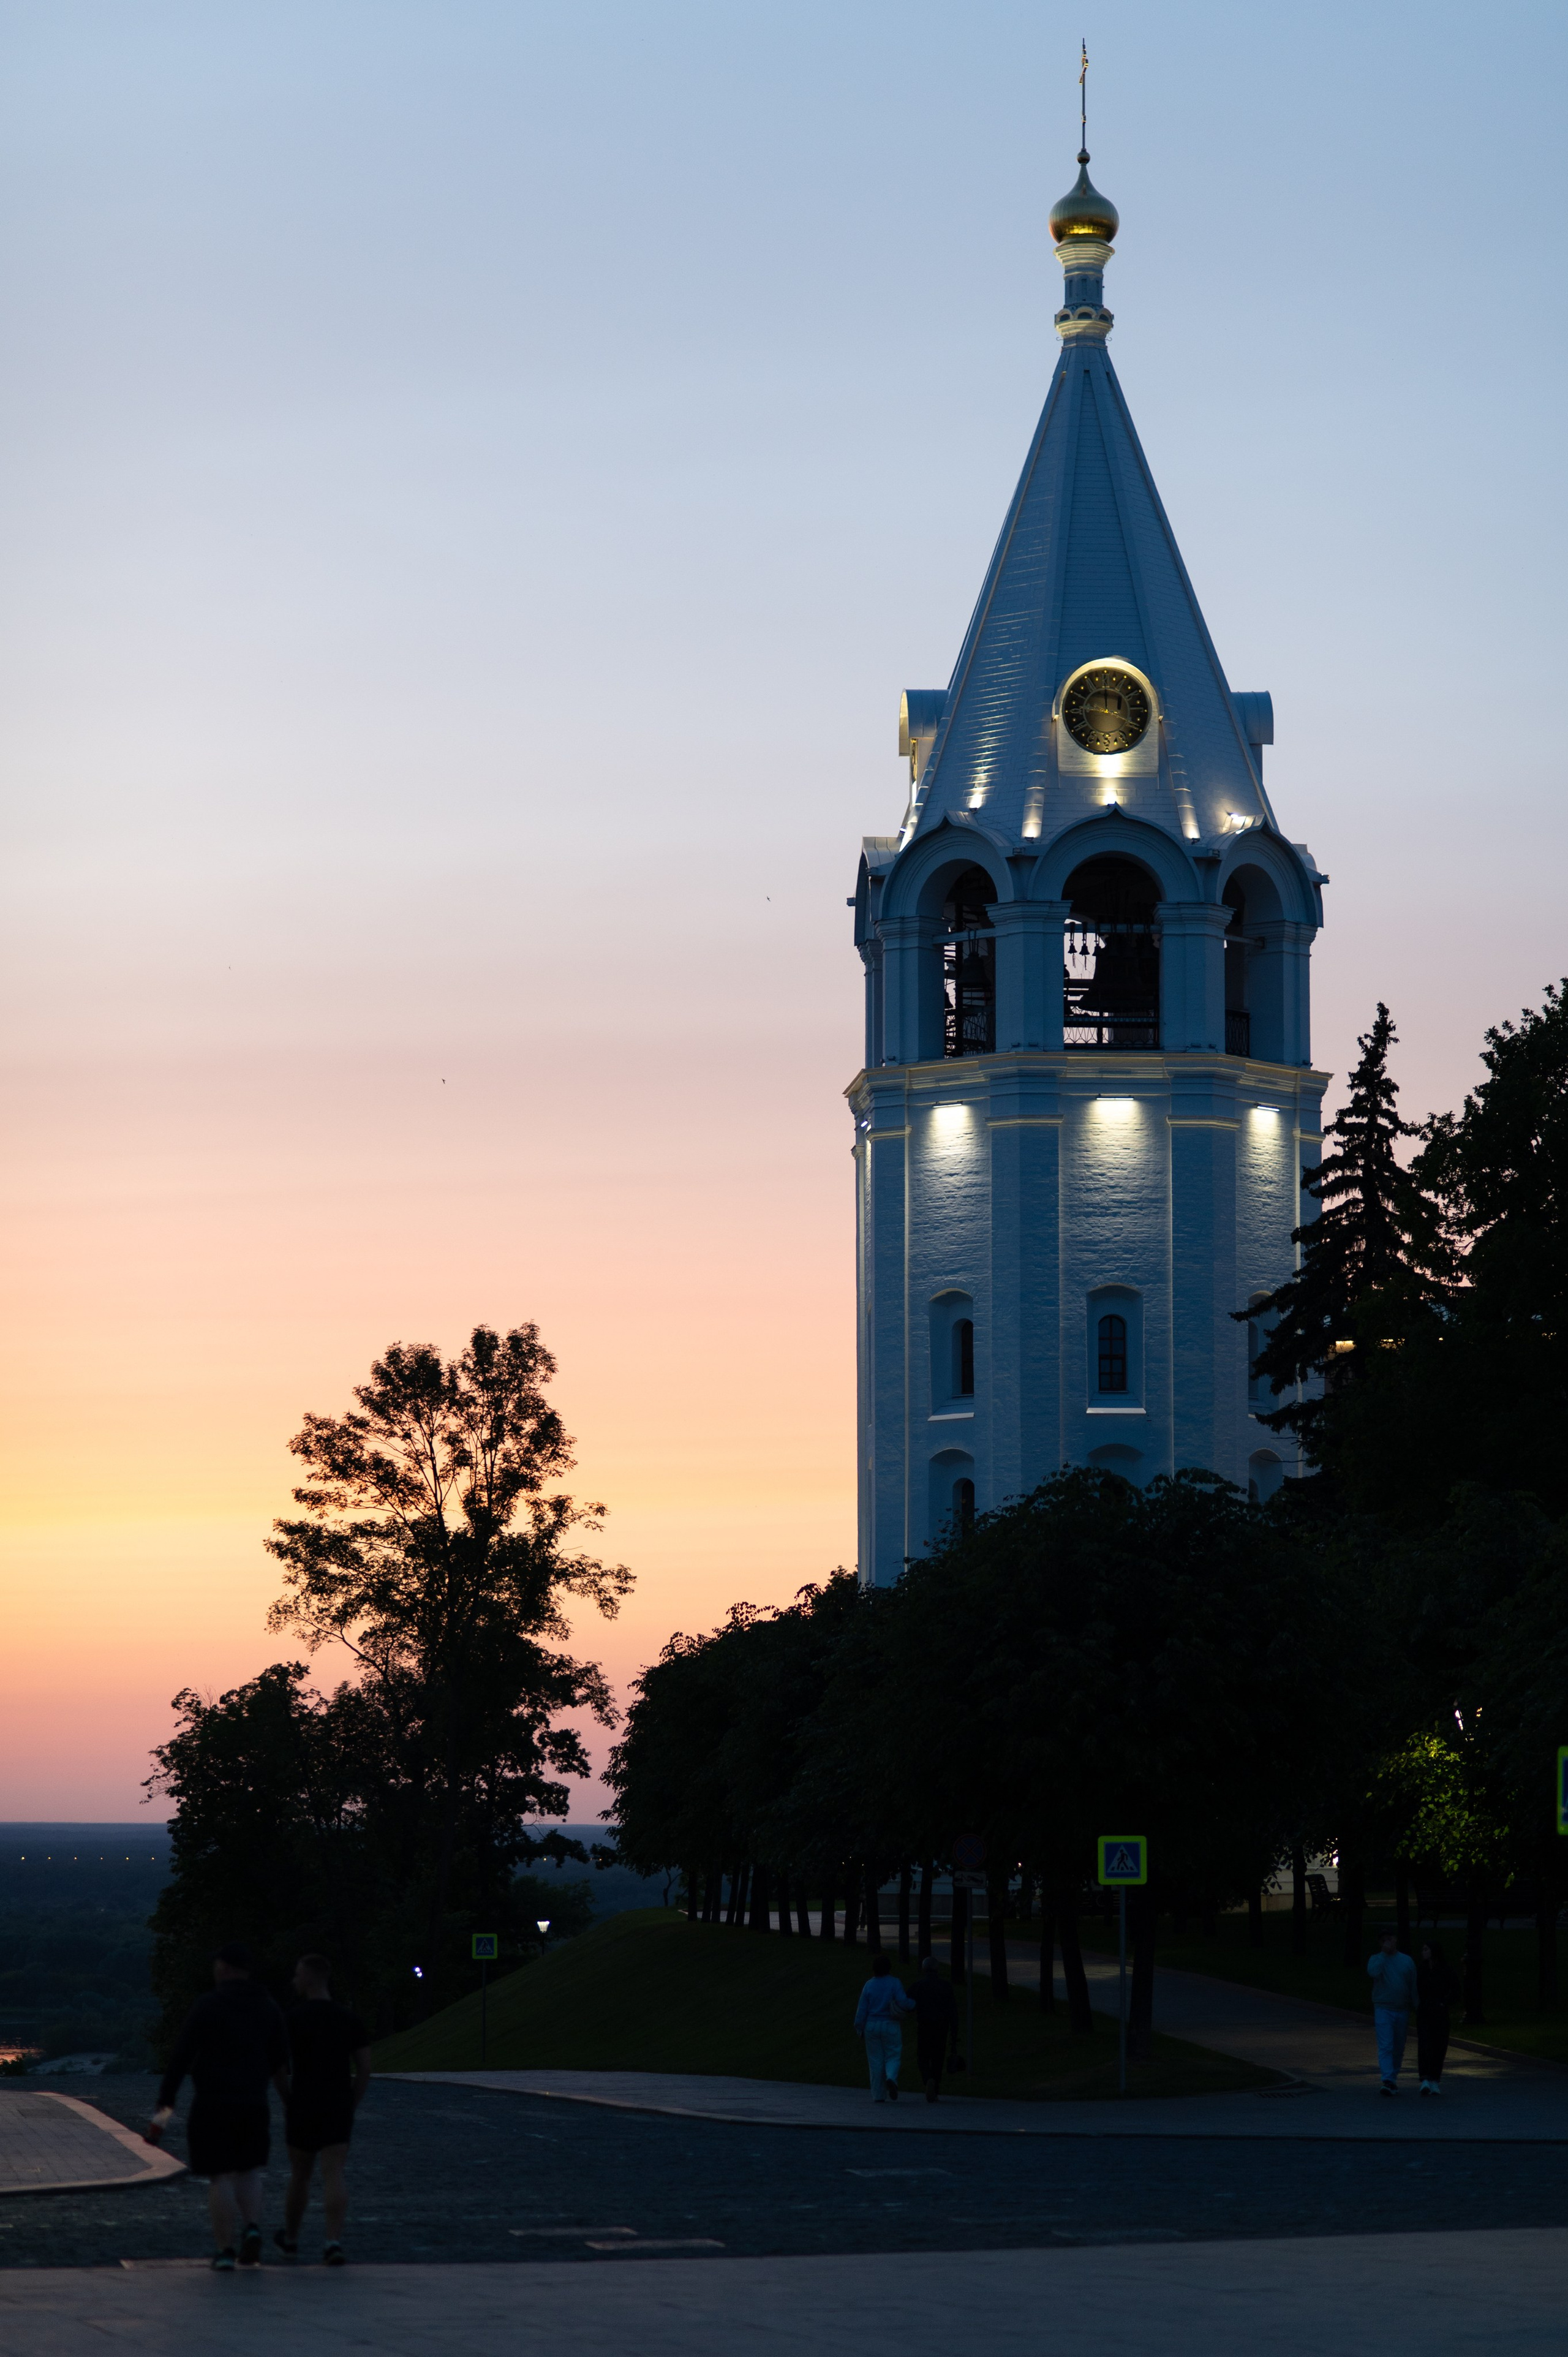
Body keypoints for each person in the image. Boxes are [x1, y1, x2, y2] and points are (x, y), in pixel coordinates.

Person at [146, 1942, 292, 2270]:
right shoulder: (268, 2007)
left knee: (220, 2177)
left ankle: (225, 2250)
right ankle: (252, 2226)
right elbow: (280, 2062)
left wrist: (165, 2106)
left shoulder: (208, 2006)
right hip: (254, 2103)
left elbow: (181, 2058)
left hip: (213, 2102)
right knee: (249, 2170)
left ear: (224, 1968)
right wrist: (288, 2102)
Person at [274, 1953, 372, 2266]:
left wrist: (288, 2098)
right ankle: (333, 2242)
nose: (294, 1980)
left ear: (309, 1978)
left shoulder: (293, 2018)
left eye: (298, 1975)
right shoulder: (348, 2018)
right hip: (337, 2103)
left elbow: (278, 2065)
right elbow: (365, 2067)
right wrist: (352, 2100)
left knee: (300, 2175)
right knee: (334, 2174)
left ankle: (291, 2240)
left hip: (303, 2101)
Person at [854, 1951, 914, 2103]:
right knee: (893, 2055)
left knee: (875, 2062)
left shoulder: (869, 1985)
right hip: (890, 2024)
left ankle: (878, 2096)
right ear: (889, 1968)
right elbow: (903, 2001)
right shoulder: (894, 1983)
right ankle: (892, 2078)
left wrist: (859, 2028)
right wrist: (914, 2005)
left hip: (871, 2026)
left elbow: (862, 2010)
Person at [1366, 1928, 1418, 2096]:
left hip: (1402, 2009)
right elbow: (1373, 1972)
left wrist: (1416, 2007)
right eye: (1383, 1941)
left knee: (1398, 2046)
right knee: (1386, 2045)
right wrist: (1383, 1954)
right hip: (1383, 2008)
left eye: (1389, 1939)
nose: (1387, 1943)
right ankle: (1387, 2079)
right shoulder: (1376, 1959)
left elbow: (1413, 1986)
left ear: (1395, 1940)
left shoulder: (1406, 1961)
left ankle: (1392, 2078)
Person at [909, 1953, 959, 2103]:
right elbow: (953, 2011)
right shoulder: (946, 1986)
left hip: (924, 2025)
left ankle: (927, 2079)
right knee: (938, 2058)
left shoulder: (918, 1986)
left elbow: (906, 2002)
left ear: (924, 1969)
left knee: (922, 2057)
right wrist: (954, 2033)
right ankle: (935, 2089)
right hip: (942, 2027)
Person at [1417, 1936, 1461, 2095]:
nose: (1424, 1952)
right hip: (1425, 2011)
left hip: (1440, 2012)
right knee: (1425, 2045)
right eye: (1423, 1949)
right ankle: (1426, 2079)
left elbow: (1456, 1990)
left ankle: (1435, 2079)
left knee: (1439, 2046)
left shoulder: (1446, 1969)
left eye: (1426, 1949)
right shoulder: (1421, 1969)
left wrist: (1445, 2003)